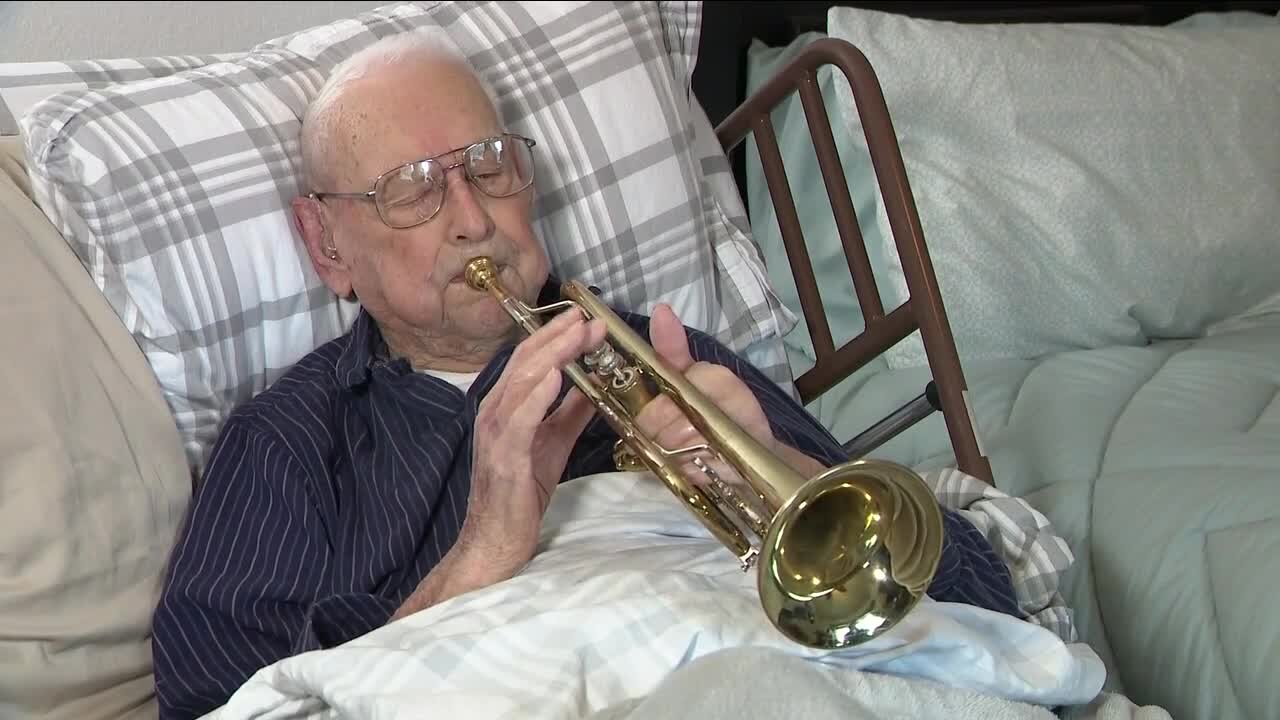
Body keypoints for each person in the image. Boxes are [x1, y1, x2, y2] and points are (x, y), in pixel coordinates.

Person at [150, 28, 1024, 720]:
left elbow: (985, 604)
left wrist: (776, 477)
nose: (471, 219)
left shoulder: (669, 362)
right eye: (414, 190)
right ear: (328, 245)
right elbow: (219, 701)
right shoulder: (287, 445)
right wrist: (482, 553)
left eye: (489, 166)